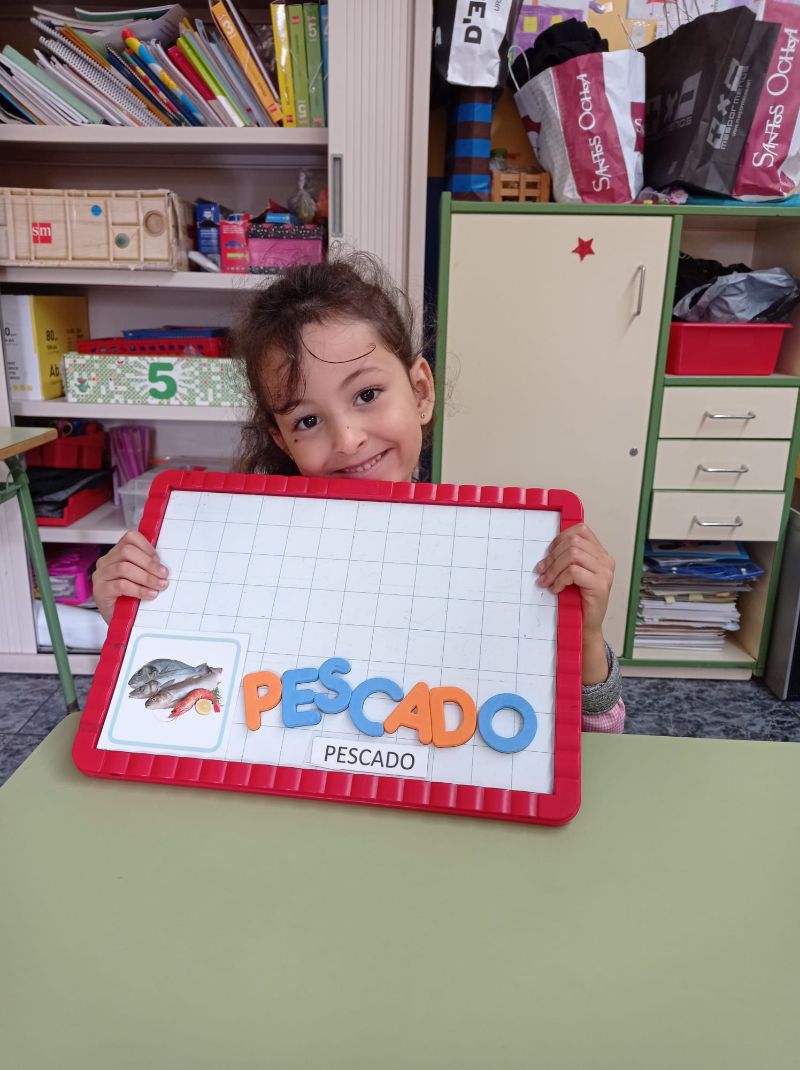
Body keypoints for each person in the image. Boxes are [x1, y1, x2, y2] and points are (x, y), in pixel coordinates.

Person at [93, 253, 624, 732]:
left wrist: (586, 635)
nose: (347, 439)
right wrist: (136, 619)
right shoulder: (238, 557)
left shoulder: (495, 554)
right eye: (307, 421)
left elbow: (599, 733)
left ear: (420, 391)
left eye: (367, 394)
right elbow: (172, 715)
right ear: (283, 441)